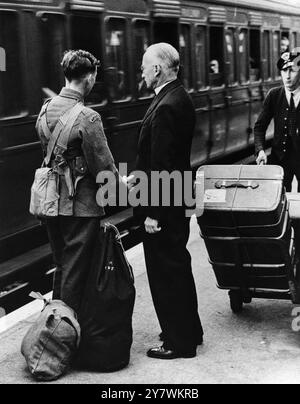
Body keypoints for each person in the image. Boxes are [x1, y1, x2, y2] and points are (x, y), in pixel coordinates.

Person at [36, 50, 119, 313]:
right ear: (90, 77)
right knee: (77, 271)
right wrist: (120, 187)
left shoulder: (45, 109)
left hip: (50, 203)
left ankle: (53, 327)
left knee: (62, 265)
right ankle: (68, 335)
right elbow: (103, 168)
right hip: (80, 207)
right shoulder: (88, 117)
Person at [134, 43, 204, 360]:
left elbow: (161, 166)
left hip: (166, 203)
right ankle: (190, 331)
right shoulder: (179, 96)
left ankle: (178, 343)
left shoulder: (165, 106)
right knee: (178, 265)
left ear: (158, 69)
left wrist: (153, 214)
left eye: (145, 66)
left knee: (166, 272)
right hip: (179, 197)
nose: (142, 71)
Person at [255, 50, 300, 192]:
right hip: (279, 159)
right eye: (284, 70)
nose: (287, 75)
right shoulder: (274, 95)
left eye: (292, 70)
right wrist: (260, 150)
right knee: (277, 201)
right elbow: (259, 127)